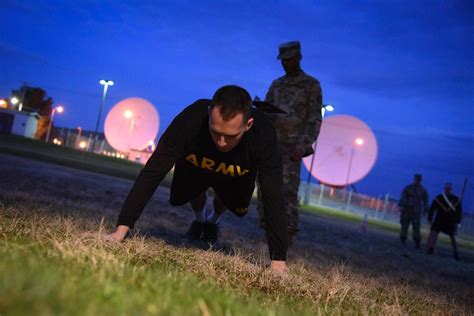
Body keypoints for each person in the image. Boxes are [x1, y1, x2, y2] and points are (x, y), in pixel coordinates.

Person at [106, 85, 288, 274]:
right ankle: (200, 218)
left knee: (232, 201)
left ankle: (214, 220)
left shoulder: (264, 134)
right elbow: (152, 172)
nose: (222, 142)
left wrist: (278, 262)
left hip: (237, 171)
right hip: (196, 164)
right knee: (184, 193)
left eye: (230, 136)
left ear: (248, 124)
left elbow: (273, 195)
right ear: (209, 113)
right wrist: (120, 231)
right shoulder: (190, 120)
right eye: (216, 132)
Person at [258, 41, 322, 246]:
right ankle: (268, 233)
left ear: (299, 58)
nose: (286, 64)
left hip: (291, 149)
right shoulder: (277, 85)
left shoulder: (311, 85)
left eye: (290, 59)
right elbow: (266, 112)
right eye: (283, 60)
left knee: (286, 192)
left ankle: (287, 238)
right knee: (265, 190)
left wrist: (302, 146)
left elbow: (314, 119)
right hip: (270, 146)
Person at [426, 183, 462, 261]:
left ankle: (456, 253)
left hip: (450, 221)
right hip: (439, 219)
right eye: (446, 188)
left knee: (453, 238)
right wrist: (430, 218)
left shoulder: (456, 199)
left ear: (451, 189)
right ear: (444, 189)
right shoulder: (439, 197)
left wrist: (458, 222)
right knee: (433, 234)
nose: (448, 190)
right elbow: (432, 208)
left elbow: (459, 212)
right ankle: (431, 249)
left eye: (449, 189)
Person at [398, 174, 429, 248]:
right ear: (413, 179)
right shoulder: (408, 188)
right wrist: (401, 205)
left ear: (420, 180)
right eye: (415, 179)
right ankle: (403, 240)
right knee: (404, 225)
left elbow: (425, 201)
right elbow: (402, 196)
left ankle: (417, 242)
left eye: (418, 179)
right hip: (406, 210)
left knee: (416, 227)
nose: (416, 181)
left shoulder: (423, 190)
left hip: (416, 212)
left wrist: (425, 210)